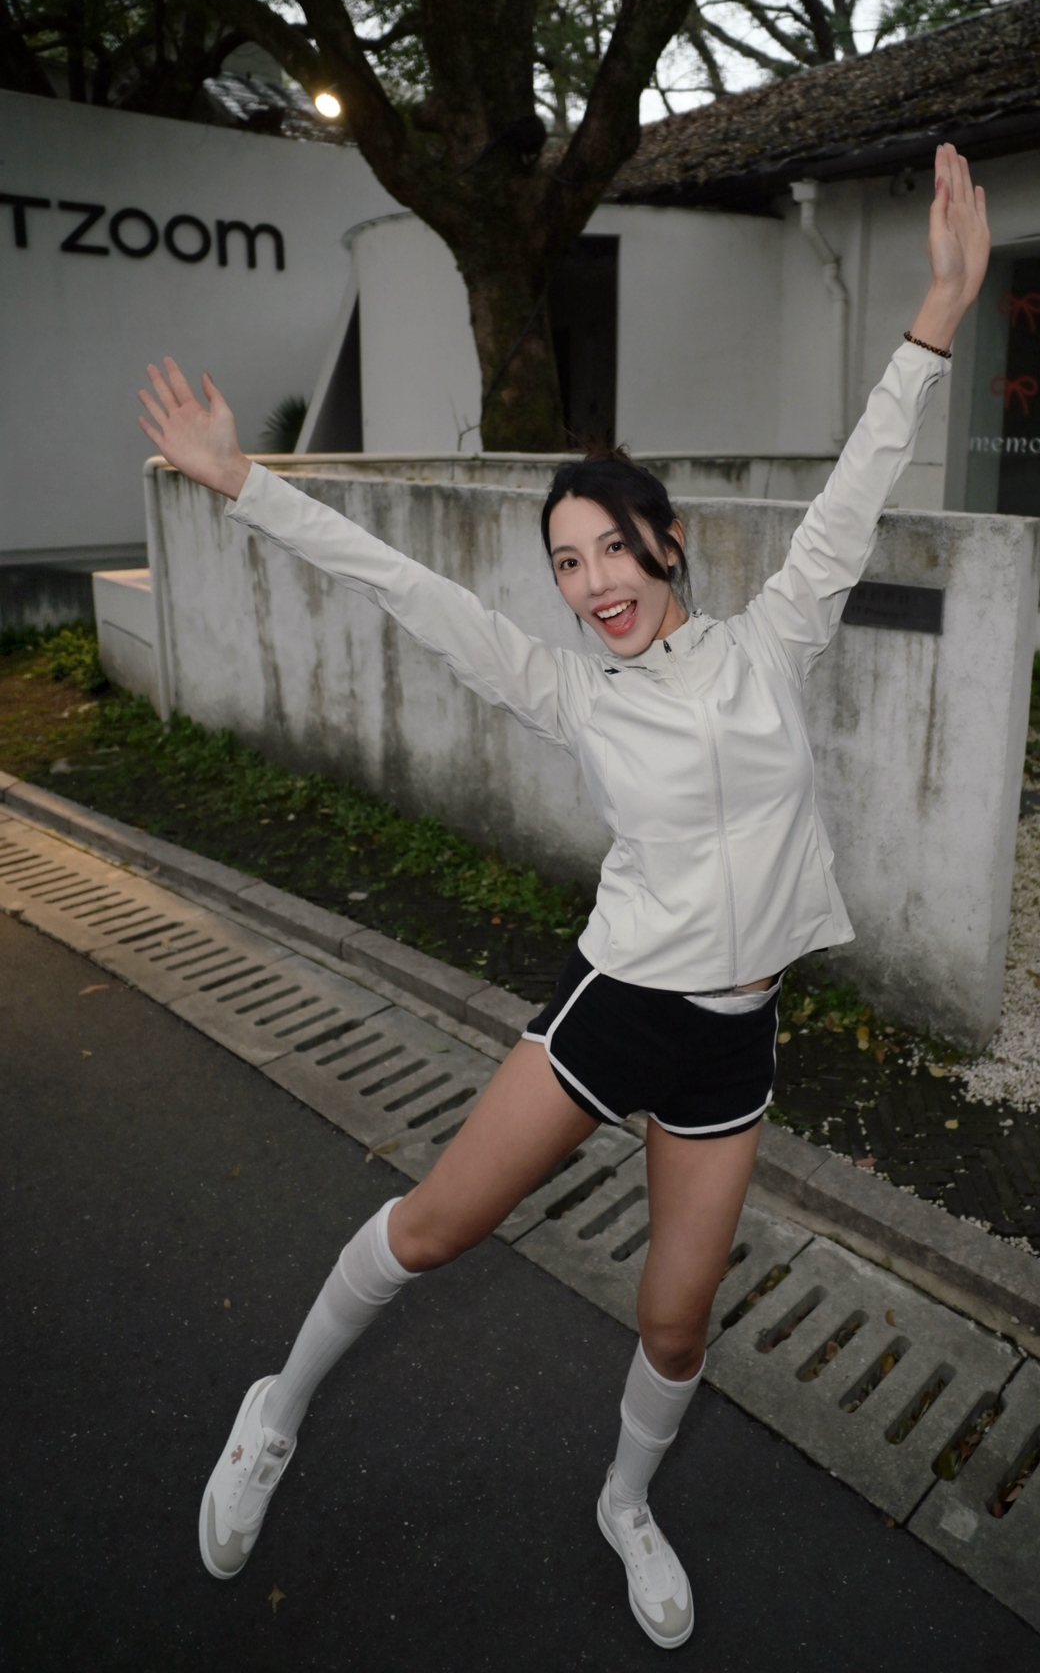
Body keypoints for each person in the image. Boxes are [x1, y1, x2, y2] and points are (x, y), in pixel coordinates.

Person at [137, 143, 989, 1651]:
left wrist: (937, 312)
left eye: (611, 548)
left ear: (667, 541)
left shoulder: (771, 642)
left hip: (733, 1043)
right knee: (430, 1232)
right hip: (619, 1009)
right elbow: (403, 587)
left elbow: (859, 480)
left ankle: (625, 1504)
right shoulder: (570, 691)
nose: (592, 581)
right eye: (566, 562)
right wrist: (245, 485)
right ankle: (275, 1408)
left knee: (676, 1320)